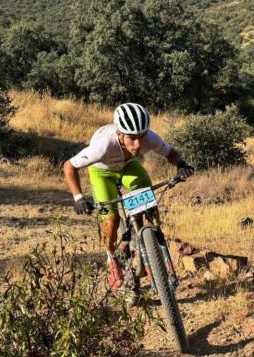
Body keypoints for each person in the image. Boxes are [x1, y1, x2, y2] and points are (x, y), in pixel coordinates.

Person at [63, 102, 194, 290]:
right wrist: (79, 198)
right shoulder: (103, 146)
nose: (138, 145)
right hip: (103, 173)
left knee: (146, 202)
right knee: (112, 220)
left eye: (141, 137)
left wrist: (181, 164)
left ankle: (150, 248)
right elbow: (69, 166)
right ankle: (111, 259)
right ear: (119, 134)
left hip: (128, 167)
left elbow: (170, 152)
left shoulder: (149, 137)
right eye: (132, 138)